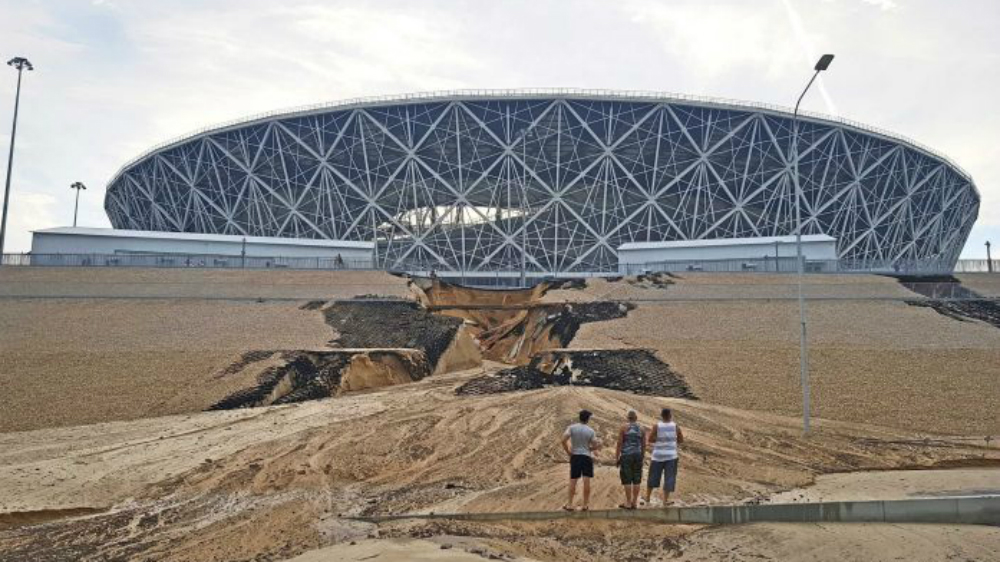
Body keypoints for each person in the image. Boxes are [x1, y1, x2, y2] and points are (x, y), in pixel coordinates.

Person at [643, 407, 683, 507]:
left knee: (653, 477)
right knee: (669, 478)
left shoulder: (657, 426)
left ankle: (647, 498)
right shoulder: (675, 426)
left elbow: (650, 439)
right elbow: (681, 439)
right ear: (670, 415)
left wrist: (660, 439)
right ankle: (665, 501)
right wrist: (672, 441)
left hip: (657, 456)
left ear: (661, 416)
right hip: (671, 456)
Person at [561, 409, 600, 511]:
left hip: (575, 456)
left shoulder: (572, 428)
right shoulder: (591, 431)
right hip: (586, 456)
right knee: (586, 481)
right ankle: (585, 505)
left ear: (580, 417)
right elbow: (596, 446)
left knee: (573, 480)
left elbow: (563, 440)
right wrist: (589, 449)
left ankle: (569, 504)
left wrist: (568, 452)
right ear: (588, 419)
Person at [615, 409, 646, 509]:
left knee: (627, 479)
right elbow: (644, 444)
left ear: (628, 418)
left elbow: (619, 443)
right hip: (637, 455)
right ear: (636, 418)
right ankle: (634, 502)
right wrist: (642, 456)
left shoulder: (623, 427)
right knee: (637, 479)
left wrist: (617, 457)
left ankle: (628, 503)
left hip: (626, 455)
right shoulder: (642, 428)